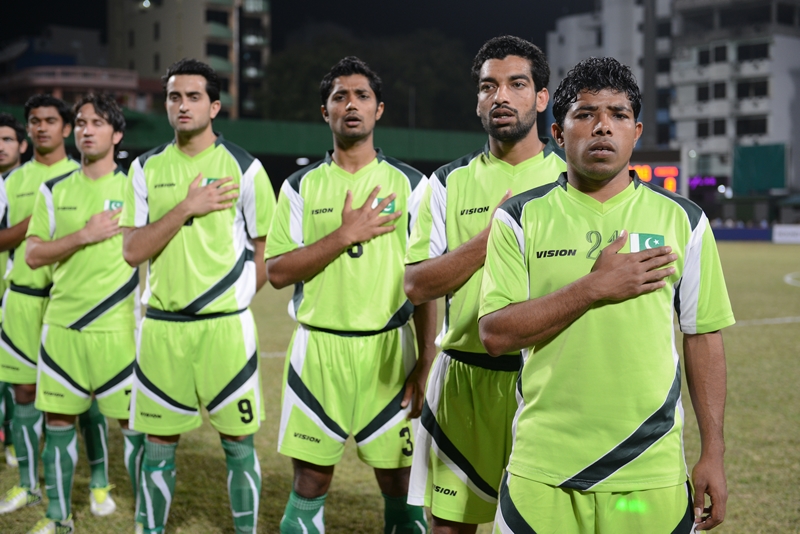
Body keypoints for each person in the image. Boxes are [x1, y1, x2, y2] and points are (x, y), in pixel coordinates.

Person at [478, 57, 733, 533]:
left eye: (617, 115)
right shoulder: (518, 218)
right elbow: (495, 333)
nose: (602, 127)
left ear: (636, 132)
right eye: (585, 113)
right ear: (557, 133)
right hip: (543, 469)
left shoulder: (685, 220)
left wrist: (713, 454)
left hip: (648, 469)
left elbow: (703, 337)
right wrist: (595, 286)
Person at [403, 36, 566, 533]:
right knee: (450, 526)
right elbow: (416, 285)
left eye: (517, 84)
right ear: (477, 101)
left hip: (544, 385)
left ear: (541, 98)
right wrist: (489, 238)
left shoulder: (570, 179)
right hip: (462, 383)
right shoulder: (445, 184)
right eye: (488, 86)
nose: (501, 97)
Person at [266, 56, 435, 534]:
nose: (351, 104)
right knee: (310, 480)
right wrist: (343, 235)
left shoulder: (413, 187)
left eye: (362, 95)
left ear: (379, 109)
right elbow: (277, 271)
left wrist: (425, 361)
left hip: (390, 353)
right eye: (340, 96)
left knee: (401, 483)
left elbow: (424, 282)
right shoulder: (299, 187)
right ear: (326, 112)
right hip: (318, 353)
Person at [120, 58, 275, 534]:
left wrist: (235, 295)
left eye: (192, 97)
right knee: (158, 445)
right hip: (163, 329)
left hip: (225, 330)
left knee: (238, 444)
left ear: (214, 105)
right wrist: (186, 207)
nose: (181, 105)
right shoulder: (145, 169)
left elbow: (267, 249)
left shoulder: (245, 168)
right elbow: (132, 250)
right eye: (173, 97)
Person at [22, 93, 142, 533]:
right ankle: (58, 519)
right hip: (62, 330)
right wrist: (83, 235)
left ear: (117, 133)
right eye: (81, 123)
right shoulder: (54, 190)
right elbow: (33, 255)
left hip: (118, 330)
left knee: (135, 428)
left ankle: (146, 519)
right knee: (57, 425)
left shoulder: (136, 187)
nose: (86, 130)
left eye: (97, 122)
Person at [0, 96, 115, 517]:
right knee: (25, 396)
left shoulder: (82, 174)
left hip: (69, 308)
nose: (42, 128)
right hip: (22, 303)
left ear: (67, 129)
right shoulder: (11, 180)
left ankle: (100, 482)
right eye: (34, 121)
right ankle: (29, 484)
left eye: (51, 121)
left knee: (89, 402)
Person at [0, 112, 29, 468]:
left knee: (16, 374)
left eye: (7, 139)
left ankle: (12, 435)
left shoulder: (35, 184)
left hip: (22, 295)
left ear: (22, 145)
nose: (0, 147)